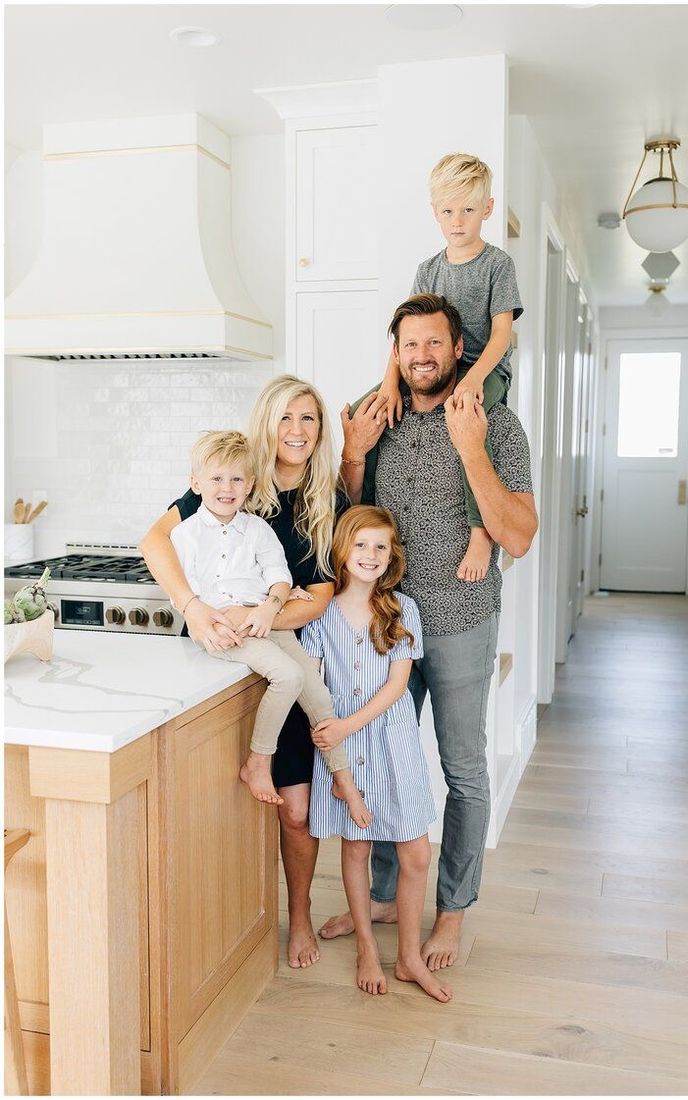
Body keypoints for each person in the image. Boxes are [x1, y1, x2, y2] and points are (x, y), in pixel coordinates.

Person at [321, 293, 538, 971]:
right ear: (396, 351)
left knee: (462, 769)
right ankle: (386, 894)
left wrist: (470, 447)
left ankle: (450, 911)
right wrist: (353, 458)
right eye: (409, 344)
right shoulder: (376, 416)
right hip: (386, 627)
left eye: (434, 343)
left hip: (462, 623)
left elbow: (520, 537)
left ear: (457, 348)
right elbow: (352, 526)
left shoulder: (495, 423)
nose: (422, 356)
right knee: (383, 759)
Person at [140, 375, 375, 968]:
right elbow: (154, 541)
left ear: (320, 430)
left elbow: (319, 595)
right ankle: (234, 929)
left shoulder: (329, 500)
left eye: (310, 419)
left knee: (296, 811)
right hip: (225, 655)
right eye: (286, 418)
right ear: (265, 422)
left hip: (284, 645)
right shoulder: (232, 477)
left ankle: (296, 919)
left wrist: (259, 612)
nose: (297, 431)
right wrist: (193, 608)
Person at [169, 428, 371, 825]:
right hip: (225, 630)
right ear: (195, 484)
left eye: (237, 479)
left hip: (262, 620)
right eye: (216, 479)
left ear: (250, 485)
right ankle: (258, 761)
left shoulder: (257, 529)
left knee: (317, 690)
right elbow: (187, 595)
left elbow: (279, 576)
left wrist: (271, 605)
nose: (227, 488)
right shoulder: (185, 534)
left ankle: (341, 777)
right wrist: (219, 617)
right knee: (288, 675)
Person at [304, 505, 451, 1003]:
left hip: (392, 739)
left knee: (416, 851)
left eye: (380, 547)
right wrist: (337, 736)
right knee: (356, 846)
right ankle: (368, 946)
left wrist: (348, 723)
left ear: (391, 556)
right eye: (361, 545)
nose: (370, 555)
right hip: (343, 751)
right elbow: (316, 687)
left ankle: (408, 957)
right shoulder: (319, 613)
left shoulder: (402, 609)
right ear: (343, 550)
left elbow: (397, 686)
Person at [358, 152, 523, 583]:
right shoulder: (428, 269)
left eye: (468, 210)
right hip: (436, 363)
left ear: (486, 209)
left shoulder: (497, 265)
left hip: (485, 369)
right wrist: (390, 385)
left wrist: (472, 380)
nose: (458, 220)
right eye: (448, 211)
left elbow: (502, 334)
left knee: (470, 431)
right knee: (366, 409)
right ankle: (363, 515)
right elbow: (405, 334)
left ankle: (479, 531)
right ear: (435, 213)